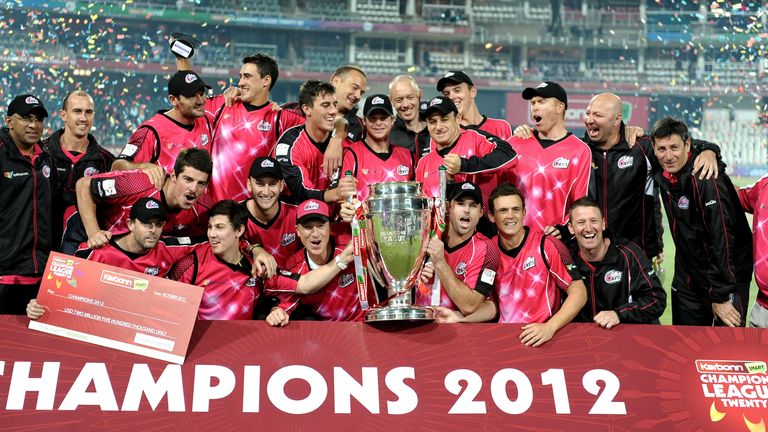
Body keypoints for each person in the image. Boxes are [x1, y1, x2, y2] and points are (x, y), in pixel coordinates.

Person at [437, 183, 587, 347]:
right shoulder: (489, 250)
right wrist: (458, 317)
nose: (510, 216)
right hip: (504, 342)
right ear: (491, 216)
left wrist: (549, 327)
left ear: (524, 213)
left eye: (515, 209)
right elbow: (492, 306)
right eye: (503, 211)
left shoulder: (547, 244)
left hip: (544, 340)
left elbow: (578, 292)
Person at [26, 197, 202, 319]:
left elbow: (206, 242)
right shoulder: (95, 252)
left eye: (158, 224)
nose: (153, 230)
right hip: (94, 329)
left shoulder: (168, 248)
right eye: (147, 224)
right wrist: (38, 304)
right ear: (130, 224)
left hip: (138, 334)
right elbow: (58, 293)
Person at [652, 117, 752, 326]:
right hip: (688, 276)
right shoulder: (661, 168)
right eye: (662, 149)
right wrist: (709, 148)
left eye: (674, 148)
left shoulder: (705, 178)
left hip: (727, 277)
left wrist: (721, 295)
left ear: (687, 145)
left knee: (727, 352)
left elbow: (723, 239)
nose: (668, 156)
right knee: (685, 347)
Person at [178, 53, 306, 203]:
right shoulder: (223, 104)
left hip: (252, 213)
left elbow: (323, 119)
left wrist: (338, 132)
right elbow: (188, 93)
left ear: (266, 81)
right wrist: (182, 58)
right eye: (241, 77)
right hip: (213, 209)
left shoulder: (280, 117)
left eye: (247, 77)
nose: (240, 83)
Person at [70, 148, 214, 252]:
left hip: (130, 254)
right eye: (188, 179)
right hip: (86, 230)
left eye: (201, 183)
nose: (194, 188)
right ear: (174, 176)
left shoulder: (204, 209)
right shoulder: (139, 184)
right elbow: (83, 185)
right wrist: (94, 233)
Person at [500, 81, 591, 236]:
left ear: (559, 108)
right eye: (533, 102)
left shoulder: (580, 151)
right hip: (513, 241)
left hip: (553, 243)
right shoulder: (514, 143)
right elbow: (500, 194)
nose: (535, 107)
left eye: (542, 102)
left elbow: (580, 204)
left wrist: (563, 230)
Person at [568, 197, 666, 327]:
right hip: (586, 340)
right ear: (571, 228)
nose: (588, 228)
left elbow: (656, 299)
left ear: (603, 224)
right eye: (581, 222)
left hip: (628, 338)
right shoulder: (566, 260)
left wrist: (619, 314)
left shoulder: (629, 254)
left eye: (594, 221)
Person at [0, 94, 57, 314]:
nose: (34, 125)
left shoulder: (47, 159)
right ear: (9, 121)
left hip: (40, 275)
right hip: (5, 275)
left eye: (38, 119)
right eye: (26, 118)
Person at [112, 70, 213, 189]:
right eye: (191, 96)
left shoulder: (206, 119)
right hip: (162, 206)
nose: (200, 101)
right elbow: (116, 166)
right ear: (173, 100)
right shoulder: (151, 131)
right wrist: (143, 166)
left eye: (201, 93)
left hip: (198, 206)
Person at [266, 199, 359, 322]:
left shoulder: (348, 239)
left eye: (320, 226)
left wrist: (360, 211)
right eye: (308, 227)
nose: (315, 234)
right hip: (330, 334)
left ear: (330, 228)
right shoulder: (295, 266)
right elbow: (285, 305)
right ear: (298, 231)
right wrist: (276, 313)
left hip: (367, 326)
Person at [44, 90, 115, 249]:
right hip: (40, 251)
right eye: (77, 111)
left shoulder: (106, 161)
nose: (83, 118)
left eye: (88, 112)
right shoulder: (41, 153)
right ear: (63, 115)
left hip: (80, 252)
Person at [417, 181, 499, 316]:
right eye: (461, 203)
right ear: (448, 207)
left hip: (460, 332)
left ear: (480, 212)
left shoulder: (487, 249)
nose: (466, 210)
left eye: (473, 206)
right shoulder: (425, 238)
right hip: (419, 327)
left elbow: (469, 305)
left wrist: (440, 263)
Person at [415, 96, 517, 205]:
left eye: (445, 120)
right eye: (433, 122)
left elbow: (509, 155)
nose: (438, 127)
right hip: (439, 222)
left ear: (458, 118)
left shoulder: (474, 138)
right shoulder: (423, 163)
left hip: (483, 220)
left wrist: (464, 165)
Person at [273, 80, 356, 205]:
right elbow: (300, 192)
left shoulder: (345, 143)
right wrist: (337, 194)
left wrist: (337, 139)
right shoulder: (289, 144)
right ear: (307, 109)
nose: (333, 111)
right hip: (301, 221)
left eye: (334, 104)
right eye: (325, 105)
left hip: (335, 221)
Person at [340, 94, 413, 201]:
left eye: (383, 118)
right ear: (364, 121)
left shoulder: (408, 157)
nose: (378, 123)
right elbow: (342, 197)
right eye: (372, 118)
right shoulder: (351, 153)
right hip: (363, 217)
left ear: (392, 120)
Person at [242, 156, 301, 267]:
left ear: (281, 185)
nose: (266, 191)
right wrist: (254, 249)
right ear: (249, 185)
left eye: (273, 184)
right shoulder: (236, 214)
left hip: (293, 281)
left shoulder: (297, 212)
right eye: (260, 184)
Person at [437, 70, 512, 140]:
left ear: (472, 91)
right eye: (446, 94)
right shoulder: (445, 132)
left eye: (457, 90)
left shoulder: (501, 127)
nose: (451, 97)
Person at [737, 175, 768, 327]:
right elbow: (737, 195)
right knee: (756, 350)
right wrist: (710, 155)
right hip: (763, 307)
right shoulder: (764, 186)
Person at [388, 75, 430, 157]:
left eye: (410, 97)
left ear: (419, 95)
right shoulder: (387, 135)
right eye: (399, 100)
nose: (405, 104)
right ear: (391, 101)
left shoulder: (436, 129)